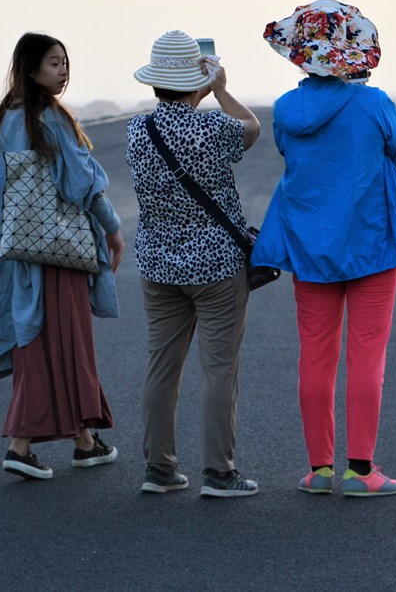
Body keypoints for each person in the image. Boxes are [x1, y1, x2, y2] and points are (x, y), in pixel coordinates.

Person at [251, 0, 396, 497]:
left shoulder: (285, 108)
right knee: (368, 358)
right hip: (372, 245)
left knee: (315, 358)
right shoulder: (375, 103)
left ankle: (319, 471)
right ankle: (362, 472)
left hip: (310, 247)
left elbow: (288, 152)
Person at [0, 32, 124, 480]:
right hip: (57, 254)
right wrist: (113, 229)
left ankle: (85, 441)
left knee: (50, 343)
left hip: (20, 253)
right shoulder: (50, 118)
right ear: (30, 70)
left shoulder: (3, 120)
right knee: (58, 344)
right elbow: (82, 184)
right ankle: (21, 445)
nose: (62, 70)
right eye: (53, 63)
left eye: (65, 62)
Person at [126, 30, 262, 497]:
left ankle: (159, 469)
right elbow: (252, 128)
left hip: (158, 263)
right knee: (220, 368)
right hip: (217, 266)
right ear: (195, 77)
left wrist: (199, 88)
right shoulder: (213, 127)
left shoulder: (136, 131)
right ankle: (219, 472)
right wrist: (220, 89)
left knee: (161, 367)